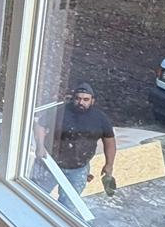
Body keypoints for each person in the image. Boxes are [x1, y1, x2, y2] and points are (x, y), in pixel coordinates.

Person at [35, 83, 116, 211]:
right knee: (35, 196)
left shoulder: (100, 118)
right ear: (73, 99)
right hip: (50, 164)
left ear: (92, 101)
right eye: (78, 98)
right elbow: (40, 125)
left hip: (78, 169)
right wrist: (40, 146)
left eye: (85, 99)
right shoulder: (60, 111)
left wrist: (109, 164)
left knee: (68, 207)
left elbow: (109, 141)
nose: (81, 102)